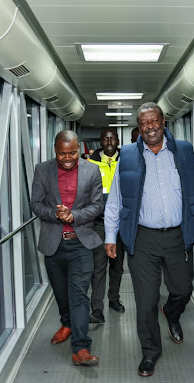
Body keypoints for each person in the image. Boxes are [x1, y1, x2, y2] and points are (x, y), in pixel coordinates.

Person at [104, 102, 194, 377]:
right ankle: (150, 353)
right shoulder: (128, 156)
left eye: (154, 121)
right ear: (139, 127)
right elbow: (116, 201)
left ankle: (172, 313)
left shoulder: (185, 151)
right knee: (145, 300)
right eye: (144, 124)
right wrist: (110, 236)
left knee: (182, 289)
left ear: (163, 122)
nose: (150, 127)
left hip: (178, 236)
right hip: (143, 239)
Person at [30, 130, 104, 366]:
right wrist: (55, 213)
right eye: (62, 154)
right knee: (61, 294)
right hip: (54, 244)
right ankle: (67, 323)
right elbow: (35, 204)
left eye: (72, 152)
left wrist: (73, 216)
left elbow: (97, 206)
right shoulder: (42, 170)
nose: (68, 158)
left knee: (79, 296)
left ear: (79, 148)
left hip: (81, 242)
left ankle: (81, 347)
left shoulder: (92, 170)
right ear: (55, 150)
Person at [87, 128, 125, 324]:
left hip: (120, 224)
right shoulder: (90, 164)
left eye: (113, 138)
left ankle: (114, 299)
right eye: (105, 138)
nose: (109, 141)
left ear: (117, 141)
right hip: (99, 224)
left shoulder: (126, 161)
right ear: (100, 141)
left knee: (117, 266)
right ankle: (97, 309)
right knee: (99, 267)